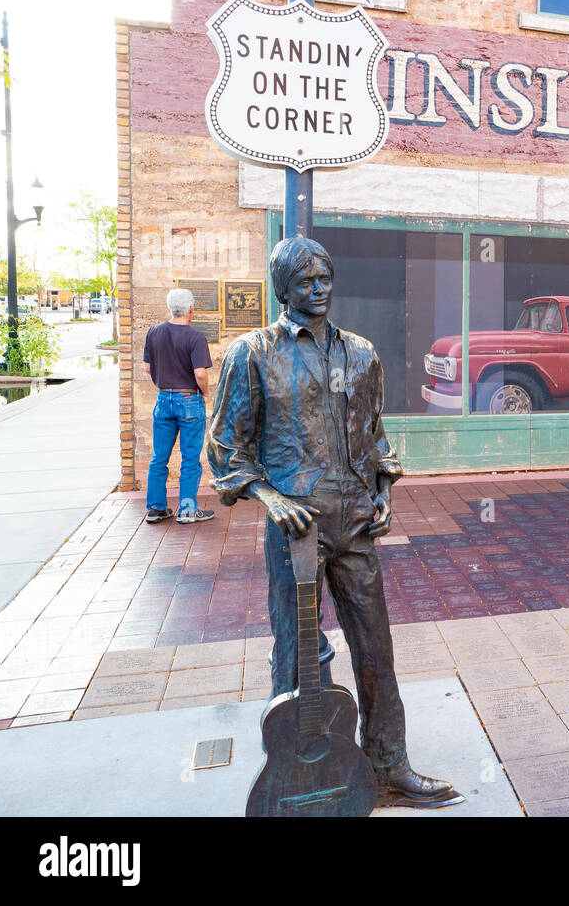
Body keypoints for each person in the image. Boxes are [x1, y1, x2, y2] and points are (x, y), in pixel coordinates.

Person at [207, 237, 459, 807]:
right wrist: (270, 499)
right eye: (304, 281)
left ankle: (388, 763)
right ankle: (293, 770)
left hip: (354, 521)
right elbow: (227, 447)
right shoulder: (253, 354)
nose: (317, 289)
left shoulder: (361, 353)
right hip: (296, 525)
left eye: (324, 278)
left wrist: (385, 489)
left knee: (376, 648)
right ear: (282, 289)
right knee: (297, 651)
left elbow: (375, 434)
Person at [143, 288, 215, 524]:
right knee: (190, 458)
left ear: (170, 308)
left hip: (163, 399)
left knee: (159, 457)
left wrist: (163, 385)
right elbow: (200, 373)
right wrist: (205, 393)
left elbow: (147, 368)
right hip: (189, 400)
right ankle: (186, 510)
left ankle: (156, 509)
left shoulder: (154, 332)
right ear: (191, 309)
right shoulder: (195, 338)